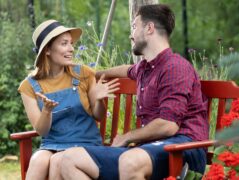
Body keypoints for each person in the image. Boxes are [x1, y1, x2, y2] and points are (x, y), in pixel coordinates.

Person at [60, 4, 209, 180]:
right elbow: (126, 70)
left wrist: (127, 137)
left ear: (149, 28)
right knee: (69, 159)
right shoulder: (145, 68)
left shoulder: (175, 67)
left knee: (130, 161)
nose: (131, 34)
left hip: (183, 148)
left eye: (134, 26)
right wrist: (92, 75)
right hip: (148, 149)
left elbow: (168, 125)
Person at [18, 19, 120, 180]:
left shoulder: (84, 73)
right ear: (48, 50)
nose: (71, 49)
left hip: (86, 144)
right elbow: (41, 131)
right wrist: (46, 111)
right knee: (38, 161)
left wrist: (100, 100)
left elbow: (99, 116)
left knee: (58, 161)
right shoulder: (28, 86)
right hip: (52, 144)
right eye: (64, 43)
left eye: (71, 43)